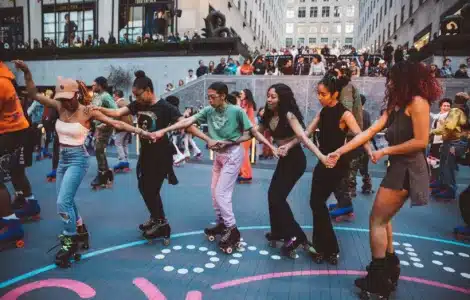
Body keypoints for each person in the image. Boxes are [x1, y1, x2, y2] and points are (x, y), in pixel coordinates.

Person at [15, 60, 152, 267]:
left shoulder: (88, 112)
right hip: (63, 160)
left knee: (62, 202)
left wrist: (141, 132)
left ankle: (69, 240)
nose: (65, 102)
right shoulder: (60, 106)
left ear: (76, 95)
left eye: (68, 98)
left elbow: (115, 122)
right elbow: (34, 94)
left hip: (78, 159)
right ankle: (81, 230)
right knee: (66, 200)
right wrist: (26, 72)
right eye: (62, 99)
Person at [327, 61, 442, 298]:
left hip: (409, 169)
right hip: (397, 168)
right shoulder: (397, 105)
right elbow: (369, 131)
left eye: (392, 78)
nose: (388, 82)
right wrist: (342, 150)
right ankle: (390, 266)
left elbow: (421, 142)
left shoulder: (418, 103)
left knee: (376, 221)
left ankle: (379, 280)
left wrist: (385, 151)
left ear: (404, 79)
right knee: (385, 219)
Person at [150, 82, 277, 253]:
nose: (209, 100)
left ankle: (233, 230)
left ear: (223, 96)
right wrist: (164, 130)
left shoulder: (236, 111)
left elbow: (252, 132)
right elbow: (188, 121)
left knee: (221, 193)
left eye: (213, 97)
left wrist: (270, 145)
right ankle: (222, 223)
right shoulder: (209, 111)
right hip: (219, 157)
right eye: (208, 97)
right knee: (214, 192)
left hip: (232, 154)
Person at [92, 71, 212, 243]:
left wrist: (208, 139)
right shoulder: (138, 105)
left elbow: (187, 125)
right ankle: (156, 218)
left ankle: (162, 223)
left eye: (138, 95)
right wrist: (98, 108)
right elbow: (117, 113)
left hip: (161, 155)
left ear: (148, 90)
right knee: (143, 187)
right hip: (146, 154)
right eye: (134, 96)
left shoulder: (165, 107)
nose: (136, 99)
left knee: (151, 189)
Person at [281, 75, 367, 264]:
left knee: (317, 204)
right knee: (316, 204)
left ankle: (330, 248)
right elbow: (306, 134)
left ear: (335, 94)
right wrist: (288, 145)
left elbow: (361, 137)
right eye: (318, 94)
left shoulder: (345, 114)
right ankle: (323, 247)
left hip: (336, 164)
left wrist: (371, 152)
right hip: (323, 162)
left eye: (324, 94)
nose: (320, 97)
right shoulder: (323, 112)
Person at [255, 83, 320, 257]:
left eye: (273, 96)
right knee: (272, 195)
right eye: (268, 95)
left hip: (296, 160)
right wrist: (230, 139)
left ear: (281, 98)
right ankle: (278, 232)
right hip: (284, 161)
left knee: (277, 197)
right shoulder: (268, 115)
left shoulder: (289, 115)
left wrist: (320, 156)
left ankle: (297, 236)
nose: (269, 99)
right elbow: (255, 132)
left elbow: (303, 137)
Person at [0, 61, 38, 249]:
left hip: (9, 133)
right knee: (16, 171)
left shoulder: (1, 81)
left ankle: (11, 223)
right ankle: (30, 203)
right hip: (17, 131)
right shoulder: (5, 75)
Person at [430, 93, 469, 200]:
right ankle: (443, 185)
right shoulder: (463, 110)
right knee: (444, 164)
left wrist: (433, 131)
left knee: (447, 166)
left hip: (453, 142)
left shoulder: (456, 111)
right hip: (452, 141)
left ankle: (449, 189)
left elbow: (449, 127)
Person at [91, 76, 118, 189]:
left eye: (94, 84)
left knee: (99, 149)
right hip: (97, 127)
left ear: (100, 85)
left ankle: (102, 174)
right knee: (98, 150)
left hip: (104, 127)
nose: (92, 86)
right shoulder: (96, 96)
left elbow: (116, 111)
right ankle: (106, 173)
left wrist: (107, 124)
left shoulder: (106, 96)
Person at [238, 89, 256, 184]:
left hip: (247, 131)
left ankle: (246, 174)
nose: (240, 94)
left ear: (245, 95)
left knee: (243, 153)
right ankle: (242, 172)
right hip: (248, 130)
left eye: (241, 93)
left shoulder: (245, 102)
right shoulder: (247, 102)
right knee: (243, 152)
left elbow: (242, 114)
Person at [112, 90, 133, 173]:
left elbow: (116, 115)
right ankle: (126, 162)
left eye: (114, 96)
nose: (113, 98)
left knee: (118, 143)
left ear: (117, 96)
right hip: (129, 127)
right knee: (125, 144)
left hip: (121, 127)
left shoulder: (118, 103)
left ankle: (123, 162)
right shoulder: (127, 102)